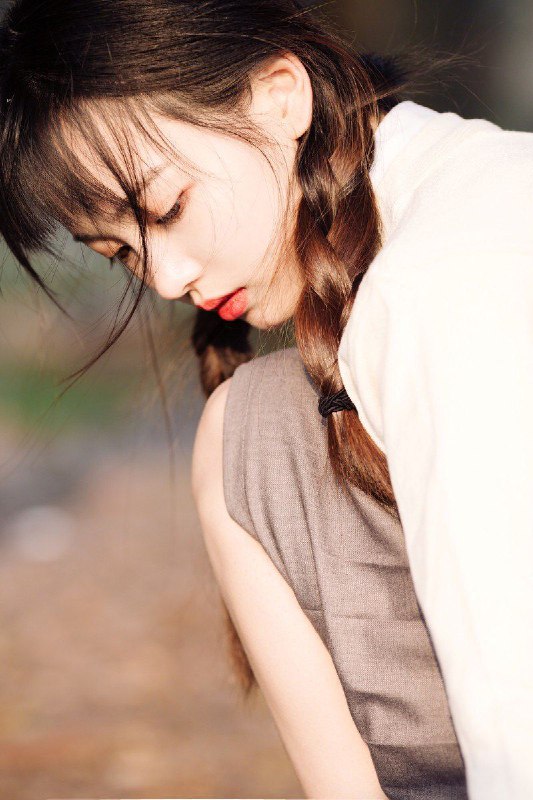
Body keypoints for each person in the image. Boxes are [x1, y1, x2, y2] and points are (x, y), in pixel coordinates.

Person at [0, 1, 531, 798]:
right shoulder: (469, 194)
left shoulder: (439, 286)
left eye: (166, 208)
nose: (167, 279)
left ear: (281, 95)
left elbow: (513, 716)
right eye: (120, 253)